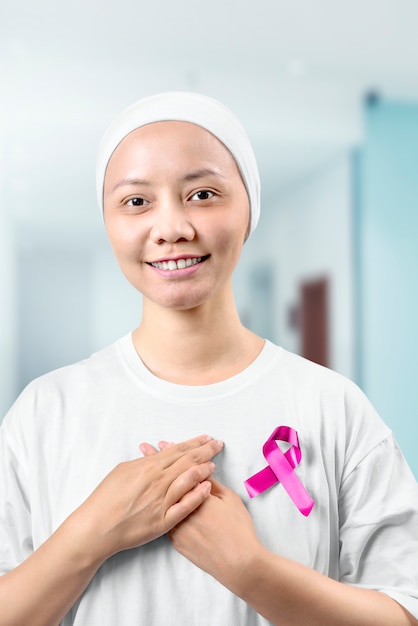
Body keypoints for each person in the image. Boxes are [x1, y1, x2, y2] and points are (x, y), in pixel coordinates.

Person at [1, 92, 418, 626]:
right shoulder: (46, 412)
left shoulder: (332, 407)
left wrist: (251, 571)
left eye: (202, 193)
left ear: (250, 210)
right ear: (107, 222)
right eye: (136, 202)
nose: (172, 227)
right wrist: (88, 535)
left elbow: (404, 612)